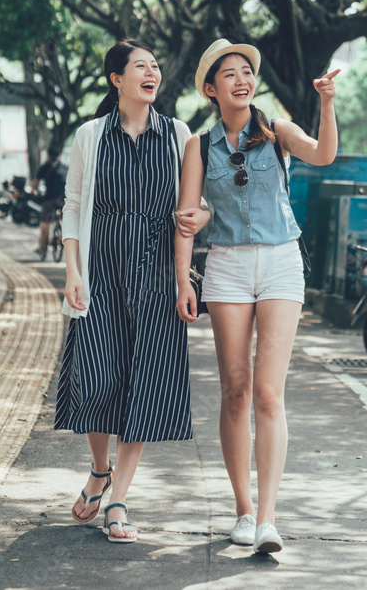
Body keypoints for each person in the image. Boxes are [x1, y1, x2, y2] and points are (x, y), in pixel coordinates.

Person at [174, 39, 339, 554]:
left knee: (269, 393)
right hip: (225, 267)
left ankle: (268, 518)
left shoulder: (276, 132)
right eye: (230, 74)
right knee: (235, 390)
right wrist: (185, 280)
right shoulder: (200, 147)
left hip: (281, 263)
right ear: (210, 89)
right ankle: (242, 510)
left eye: (247, 71)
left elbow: (325, 154)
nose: (242, 80)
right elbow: (187, 218)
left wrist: (327, 103)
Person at [55, 39, 209, 543]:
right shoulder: (91, 135)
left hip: (158, 276)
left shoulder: (181, 135)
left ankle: (118, 498)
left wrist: (199, 219)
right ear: (116, 79)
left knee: (143, 385)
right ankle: (99, 469)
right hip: (100, 272)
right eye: (140, 66)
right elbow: (74, 203)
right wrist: (72, 270)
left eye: (156, 66)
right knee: (96, 379)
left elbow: (196, 204)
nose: (152, 73)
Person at [31, 150, 67, 260]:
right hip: (64, 198)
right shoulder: (66, 167)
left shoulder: (45, 167)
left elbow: (35, 184)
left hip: (50, 198)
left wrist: (34, 191)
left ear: (48, 156)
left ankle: (43, 248)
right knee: (64, 220)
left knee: (45, 222)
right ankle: (62, 234)